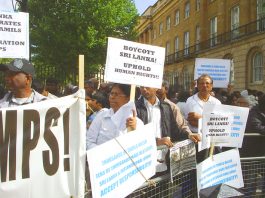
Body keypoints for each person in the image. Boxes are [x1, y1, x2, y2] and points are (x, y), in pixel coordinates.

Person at [135, 86, 190, 174]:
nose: (144, 89)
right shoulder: (134, 108)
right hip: (143, 163)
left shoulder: (166, 106)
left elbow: (175, 131)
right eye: (142, 87)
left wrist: (189, 134)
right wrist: (156, 142)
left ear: (156, 87)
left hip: (164, 161)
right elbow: (134, 136)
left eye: (147, 86)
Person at [86, 83, 143, 150]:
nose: (112, 97)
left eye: (116, 94)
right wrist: (102, 154)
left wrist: (133, 131)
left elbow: (138, 149)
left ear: (128, 98)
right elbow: (89, 141)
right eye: (111, 93)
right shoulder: (102, 116)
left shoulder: (137, 123)